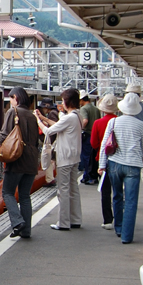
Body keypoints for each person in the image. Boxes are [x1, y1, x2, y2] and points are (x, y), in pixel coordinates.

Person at [98, 93, 143, 244]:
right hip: (133, 166)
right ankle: (127, 236)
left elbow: (105, 145)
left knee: (117, 196)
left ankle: (118, 228)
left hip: (114, 164)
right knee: (131, 201)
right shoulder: (142, 126)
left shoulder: (113, 122)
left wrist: (102, 165)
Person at [0, 87, 41, 238]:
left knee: (7, 192)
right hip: (31, 160)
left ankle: (17, 222)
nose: (10, 102)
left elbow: (4, 134)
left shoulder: (13, 112)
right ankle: (26, 231)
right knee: (24, 195)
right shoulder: (31, 115)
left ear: (16, 98)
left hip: (18, 158)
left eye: (11, 99)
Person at [37, 88, 82, 230]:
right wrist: (44, 118)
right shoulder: (77, 115)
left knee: (62, 190)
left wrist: (38, 120)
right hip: (75, 157)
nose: (62, 103)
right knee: (74, 189)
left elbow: (49, 131)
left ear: (68, 101)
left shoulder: (69, 118)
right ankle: (75, 219)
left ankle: (63, 222)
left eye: (63, 100)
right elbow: (59, 124)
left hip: (65, 158)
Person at [89, 94, 119, 230]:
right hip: (119, 160)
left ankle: (108, 220)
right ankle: (119, 218)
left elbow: (94, 143)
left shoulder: (98, 123)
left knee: (105, 191)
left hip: (104, 161)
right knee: (119, 191)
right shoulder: (119, 121)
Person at [124, 83, 143, 206]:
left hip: (129, 145)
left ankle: (126, 198)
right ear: (139, 95)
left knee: (128, 174)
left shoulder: (125, 109)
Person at [78, 90, 101, 185]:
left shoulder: (84, 109)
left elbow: (85, 120)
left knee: (86, 157)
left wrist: (79, 128)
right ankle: (89, 176)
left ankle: (89, 176)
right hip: (96, 135)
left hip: (87, 135)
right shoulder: (95, 108)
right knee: (93, 157)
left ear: (82, 100)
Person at [38, 98, 59, 186]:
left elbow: (53, 128)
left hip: (53, 142)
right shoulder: (55, 112)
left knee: (48, 160)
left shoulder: (52, 113)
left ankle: (50, 179)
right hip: (55, 142)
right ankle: (51, 179)